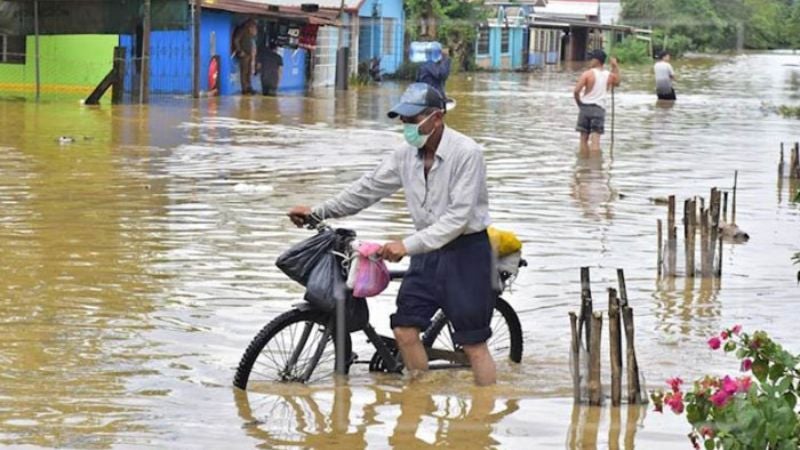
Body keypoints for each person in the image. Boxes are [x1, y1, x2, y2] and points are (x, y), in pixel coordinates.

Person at [287, 83, 497, 386]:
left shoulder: (467, 153)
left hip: (466, 253)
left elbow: (457, 218)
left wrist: (405, 245)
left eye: (413, 120)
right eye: (403, 120)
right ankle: (420, 396)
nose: (406, 127)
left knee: (474, 344)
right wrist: (319, 212)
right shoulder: (405, 155)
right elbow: (367, 188)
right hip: (426, 253)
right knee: (404, 330)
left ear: (436, 118)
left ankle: (481, 422)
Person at [573, 49, 621, 152]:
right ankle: (595, 165)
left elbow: (576, 91)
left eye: (591, 59)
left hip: (585, 108)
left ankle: (583, 164)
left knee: (583, 140)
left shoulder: (587, 74)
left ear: (597, 61)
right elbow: (617, 82)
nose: (589, 61)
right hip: (599, 109)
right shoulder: (609, 75)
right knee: (596, 141)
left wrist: (580, 104)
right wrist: (615, 66)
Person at [233, 20, 257, 95]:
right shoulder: (242, 30)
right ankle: (244, 88)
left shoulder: (250, 34)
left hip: (249, 54)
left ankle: (249, 87)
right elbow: (236, 40)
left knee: (249, 72)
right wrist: (240, 51)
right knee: (244, 72)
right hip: (244, 54)